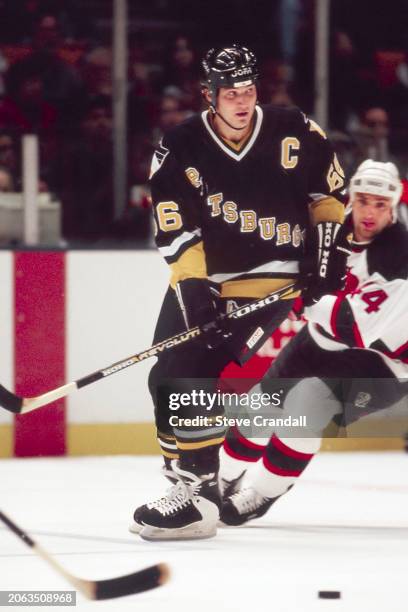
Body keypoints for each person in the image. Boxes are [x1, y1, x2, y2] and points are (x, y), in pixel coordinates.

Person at [130, 44, 349, 541]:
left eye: (248, 90)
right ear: (209, 95)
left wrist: (323, 253)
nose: (242, 100)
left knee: (194, 371)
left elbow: (328, 197)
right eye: (231, 92)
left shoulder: (294, 127)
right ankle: (183, 483)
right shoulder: (181, 144)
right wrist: (197, 291)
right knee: (165, 377)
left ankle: (199, 496)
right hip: (202, 280)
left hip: (271, 281)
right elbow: (174, 226)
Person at [218, 159, 408, 526]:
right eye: (363, 200)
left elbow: (355, 327)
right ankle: (221, 479)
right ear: (351, 196)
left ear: (394, 205)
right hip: (319, 341)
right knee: (258, 409)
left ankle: (261, 492)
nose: (369, 212)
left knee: (305, 408)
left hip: (381, 363)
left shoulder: (399, 257)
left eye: (380, 204)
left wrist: (304, 300)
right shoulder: (329, 226)